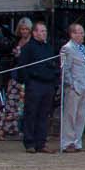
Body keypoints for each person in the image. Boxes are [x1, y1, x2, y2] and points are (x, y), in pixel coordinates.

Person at [19, 20, 61, 154]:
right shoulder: (28, 48)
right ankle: (30, 142)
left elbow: (54, 64)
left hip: (48, 85)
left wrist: (55, 79)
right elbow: (23, 67)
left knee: (44, 115)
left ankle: (41, 142)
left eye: (45, 31)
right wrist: (28, 82)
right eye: (41, 31)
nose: (44, 34)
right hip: (35, 84)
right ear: (35, 32)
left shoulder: (49, 47)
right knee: (31, 113)